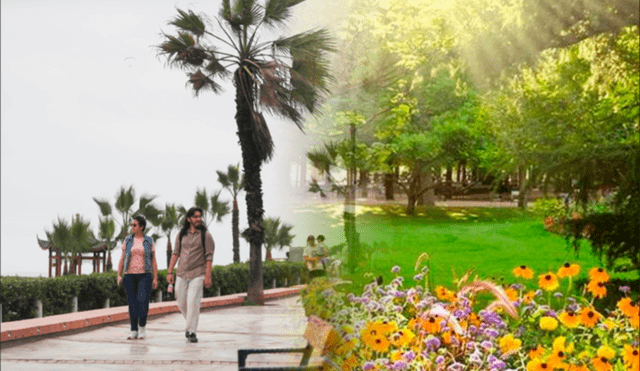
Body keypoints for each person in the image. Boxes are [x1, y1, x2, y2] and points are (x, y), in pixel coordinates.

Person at [166, 207, 214, 343]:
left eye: (200, 216)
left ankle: (191, 331)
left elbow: (209, 257)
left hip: (198, 273)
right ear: (189, 219)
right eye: (195, 216)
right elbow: (175, 253)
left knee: (193, 301)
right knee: (181, 301)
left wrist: (208, 276)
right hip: (181, 273)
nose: (199, 219)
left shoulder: (206, 235)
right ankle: (191, 323)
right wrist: (170, 271)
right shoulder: (181, 234)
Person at [116, 215, 158, 340]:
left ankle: (142, 328)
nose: (132, 227)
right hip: (129, 275)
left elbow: (153, 260)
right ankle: (133, 330)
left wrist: (155, 278)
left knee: (142, 301)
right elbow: (122, 258)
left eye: (134, 225)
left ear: (141, 227)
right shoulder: (128, 240)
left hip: (144, 275)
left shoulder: (149, 241)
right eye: (131, 225)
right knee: (132, 303)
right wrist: (118, 275)